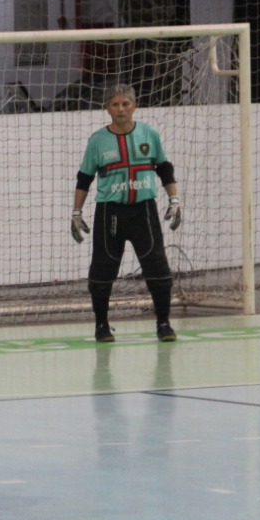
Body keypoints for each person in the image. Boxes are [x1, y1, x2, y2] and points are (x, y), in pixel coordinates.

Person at [70, 83, 182, 343]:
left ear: (135, 106)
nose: (120, 109)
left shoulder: (149, 134)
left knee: (158, 268)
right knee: (102, 269)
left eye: (125, 104)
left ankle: (164, 324)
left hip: (143, 211)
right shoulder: (97, 141)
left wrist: (174, 200)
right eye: (115, 104)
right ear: (107, 108)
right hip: (110, 214)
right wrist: (76, 212)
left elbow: (164, 168)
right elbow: (84, 178)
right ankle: (101, 326)